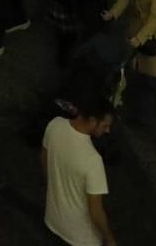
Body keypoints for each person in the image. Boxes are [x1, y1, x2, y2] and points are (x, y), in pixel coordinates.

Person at [42, 103, 116, 246]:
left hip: (52, 222)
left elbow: (44, 160)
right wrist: (109, 238)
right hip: (81, 239)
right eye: (105, 125)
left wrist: (54, 186)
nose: (107, 130)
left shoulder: (55, 125)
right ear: (93, 120)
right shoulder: (92, 160)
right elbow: (95, 209)